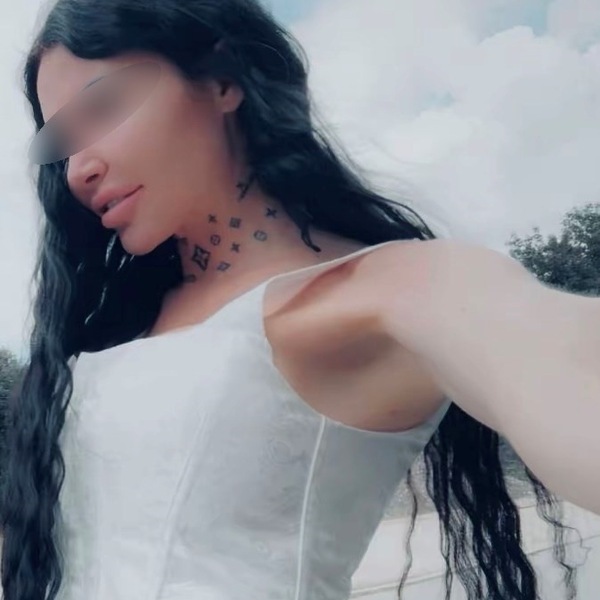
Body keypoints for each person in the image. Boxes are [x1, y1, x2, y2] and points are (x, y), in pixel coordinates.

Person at [1, 0, 596, 599]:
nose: (76, 169)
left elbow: (555, 352)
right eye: (65, 142)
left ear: (222, 79)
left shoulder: (383, 290)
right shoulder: (112, 327)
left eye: (104, 106)